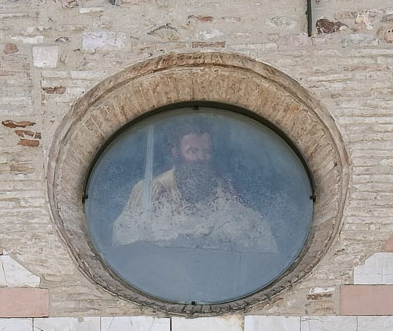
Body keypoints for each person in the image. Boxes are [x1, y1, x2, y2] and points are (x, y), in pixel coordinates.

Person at [108, 117, 280, 274]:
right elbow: (126, 237)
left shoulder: (224, 190)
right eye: (192, 151)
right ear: (176, 152)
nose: (201, 158)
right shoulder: (150, 190)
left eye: (206, 151)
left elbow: (251, 235)